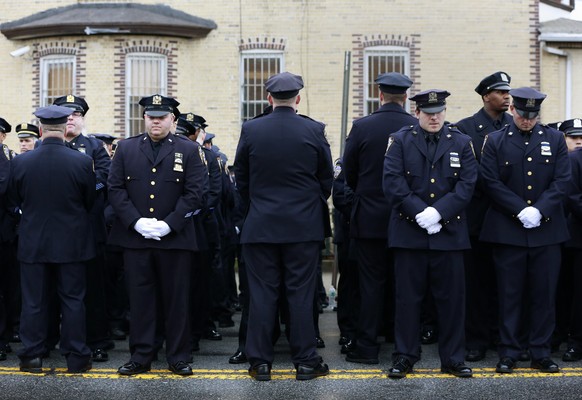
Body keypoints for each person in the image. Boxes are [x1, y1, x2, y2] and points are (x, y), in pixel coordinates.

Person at [234, 71, 333, 381]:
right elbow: (325, 178)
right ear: (298, 99)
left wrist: (258, 206)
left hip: (261, 225)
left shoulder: (251, 129)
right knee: (300, 294)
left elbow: (242, 178)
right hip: (302, 228)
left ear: (269, 99)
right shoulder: (313, 129)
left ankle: (260, 362)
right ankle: (305, 360)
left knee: (262, 295)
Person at [107, 94, 206, 376]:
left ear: (172, 120)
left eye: (161, 118)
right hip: (136, 239)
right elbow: (115, 190)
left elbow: (195, 193)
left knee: (176, 301)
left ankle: (178, 356)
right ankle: (141, 355)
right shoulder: (126, 148)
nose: (156, 122)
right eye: (151, 117)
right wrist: (135, 222)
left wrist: (170, 224)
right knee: (140, 301)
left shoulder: (188, 150)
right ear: (144, 118)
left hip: (174, 239)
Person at [383, 89, 478, 379]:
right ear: (417, 113)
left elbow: (467, 183)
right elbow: (392, 182)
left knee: (451, 301)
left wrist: (439, 213)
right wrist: (420, 214)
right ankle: (405, 355)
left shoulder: (462, 142)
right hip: (410, 233)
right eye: (428, 113)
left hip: (449, 233)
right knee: (408, 300)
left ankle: (453, 358)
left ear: (445, 113)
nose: (434, 118)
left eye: (438, 112)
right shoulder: (400, 141)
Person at [479, 87, 570, 374]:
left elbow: (562, 181)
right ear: (512, 111)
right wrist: (520, 209)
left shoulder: (555, 139)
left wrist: (540, 209)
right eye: (522, 114)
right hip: (508, 230)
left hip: (546, 231)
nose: (527, 120)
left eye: (533, 115)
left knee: (544, 295)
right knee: (510, 295)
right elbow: (490, 182)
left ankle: (540, 351)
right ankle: (509, 351)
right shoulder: (494, 140)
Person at [9, 105, 96, 373]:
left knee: (33, 302)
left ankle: (31, 355)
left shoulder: (21, 162)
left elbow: (14, 200)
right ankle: (76, 356)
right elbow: (90, 202)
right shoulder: (81, 162)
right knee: (72, 300)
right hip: (72, 243)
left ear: (40, 130)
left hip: (33, 242)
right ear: (62, 128)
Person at [342, 72, 417, 363]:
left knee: (370, 285)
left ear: (381, 95)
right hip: (407, 216)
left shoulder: (363, 127)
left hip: (370, 217)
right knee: (404, 285)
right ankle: (404, 347)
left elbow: (349, 172)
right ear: (406, 97)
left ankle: (367, 347)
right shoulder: (415, 126)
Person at [454, 71, 513, 362]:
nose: (506, 97)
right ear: (485, 95)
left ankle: (504, 336)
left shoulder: (516, 126)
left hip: (508, 220)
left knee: (507, 284)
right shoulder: (465, 129)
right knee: (476, 284)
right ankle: (476, 339)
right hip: (477, 218)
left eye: (507, 92)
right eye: (500, 92)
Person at [53, 94, 113, 363]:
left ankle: (96, 340)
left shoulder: (94, 147)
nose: (70, 118)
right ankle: (54, 339)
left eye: (75, 114)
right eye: (65, 114)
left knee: (92, 289)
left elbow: (105, 178)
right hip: (54, 229)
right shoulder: (49, 146)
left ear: (82, 118)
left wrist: (77, 193)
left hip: (87, 228)